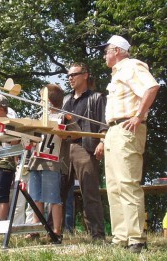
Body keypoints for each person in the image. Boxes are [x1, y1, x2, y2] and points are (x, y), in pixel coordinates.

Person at [99, 35, 160, 253]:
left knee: (127, 182)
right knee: (114, 186)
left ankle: (136, 238)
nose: (104, 55)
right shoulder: (116, 74)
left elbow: (151, 87)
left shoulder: (132, 66)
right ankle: (120, 237)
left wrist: (138, 116)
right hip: (115, 130)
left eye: (106, 50)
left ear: (116, 50)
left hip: (128, 128)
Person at [62, 62, 108, 240]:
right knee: (57, 191)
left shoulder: (97, 97)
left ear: (85, 75)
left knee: (90, 192)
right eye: (68, 76)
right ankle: (54, 232)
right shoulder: (65, 99)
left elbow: (104, 123)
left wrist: (102, 141)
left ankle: (97, 234)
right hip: (64, 148)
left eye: (73, 74)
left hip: (86, 147)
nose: (70, 78)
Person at [25, 84, 70, 242]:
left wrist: (64, 129)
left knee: (53, 198)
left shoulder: (63, 116)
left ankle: (56, 231)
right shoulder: (39, 116)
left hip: (52, 162)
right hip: (36, 161)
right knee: (35, 197)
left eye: (41, 98)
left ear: (49, 101)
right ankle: (36, 227)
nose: (39, 101)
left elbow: (71, 134)